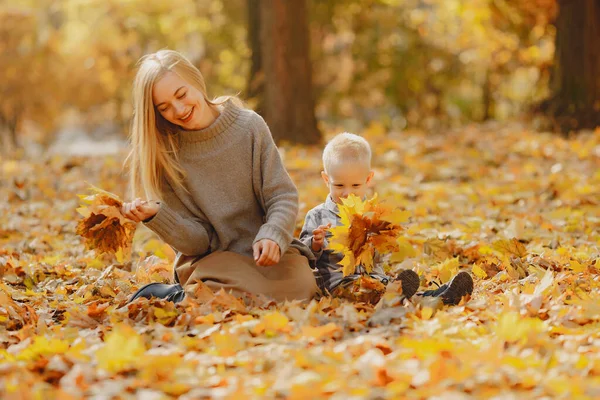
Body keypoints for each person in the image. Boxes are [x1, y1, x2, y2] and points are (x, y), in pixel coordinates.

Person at [121, 49, 318, 303]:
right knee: (224, 289)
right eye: (164, 108)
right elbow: (197, 244)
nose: (179, 110)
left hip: (265, 255)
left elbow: (282, 195)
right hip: (214, 262)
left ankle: (201, 296)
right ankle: (187, 294)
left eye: (181, 94)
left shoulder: (249, 127)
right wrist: (159, 216)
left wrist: (273, 233)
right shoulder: (166, 156)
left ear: (195, 80)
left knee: (303, 287)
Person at [300, 132, 473, 305]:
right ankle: (415, 297)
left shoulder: (373, 214)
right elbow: (302, 258)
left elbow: (381, 257)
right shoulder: (317, 216)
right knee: (378, 292)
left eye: (355, 185)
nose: (347, 192)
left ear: (368, 179)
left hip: (377, 280)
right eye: (339, 185)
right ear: (326, 179)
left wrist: (380, 242)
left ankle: (440, 296)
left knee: (391, 290)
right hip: (339, 286)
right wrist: (315, 244)